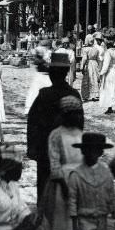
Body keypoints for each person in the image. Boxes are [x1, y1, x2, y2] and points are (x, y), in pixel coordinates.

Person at [27, 52, 82, 199]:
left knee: (45, 184)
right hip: (69, 149)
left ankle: (43, 215)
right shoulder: (74, 94)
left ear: (51, 74)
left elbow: (32, 122)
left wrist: (32, 148)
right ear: (65, 73)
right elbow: (80, 124)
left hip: (45, 147)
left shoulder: (44, 95)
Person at [68, 132, 115, 230]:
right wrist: (74, 223)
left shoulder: (105, 173)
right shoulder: (76, 174)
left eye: (96, 150)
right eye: (88, 150)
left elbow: (111, 193)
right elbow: (72, 200)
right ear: (83, 151)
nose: (91, 154)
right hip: (84, 219)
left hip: (101, 218)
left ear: (101, 152)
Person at [43, 95, 84, 230]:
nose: (78, 117)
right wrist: (65, 186)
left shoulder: (80, 134)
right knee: (61, 217)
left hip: (79, 179)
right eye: (74, 113)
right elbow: (54, 162)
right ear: (65, 114)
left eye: (79, 113)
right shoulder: (56, 134)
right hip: (62, 183)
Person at [99, 38, 115, 115]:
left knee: (110, 89)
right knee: (113, 89)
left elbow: (106, 64)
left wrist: (101, 73)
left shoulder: (108, 52)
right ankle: (110, 108)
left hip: (110, 72)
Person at [79, 34, 101, 102]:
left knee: (87, 79)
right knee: (94, 79)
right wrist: (99, 67)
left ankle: (86, 95)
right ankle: (95, 95)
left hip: (88, 64)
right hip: (95, 64)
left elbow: (84, 58)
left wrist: (82, 66)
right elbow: (98, 59)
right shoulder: (96, 49)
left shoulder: (85, 49)